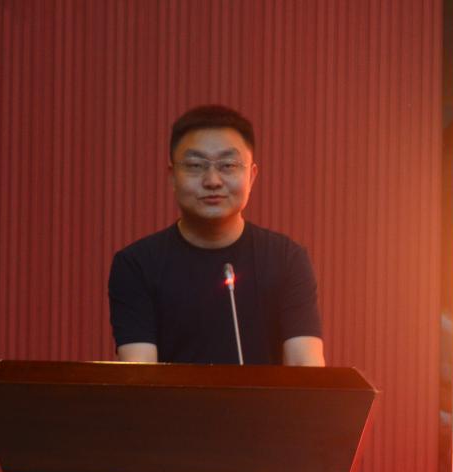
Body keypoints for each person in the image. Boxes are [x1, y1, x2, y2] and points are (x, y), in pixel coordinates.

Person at [108, 105, 325, 366]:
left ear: (251, 176)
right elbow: (138, 373)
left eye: (228, 165)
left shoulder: (287, 259)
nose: (212, 180)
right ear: (172, 176)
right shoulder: (137, 265)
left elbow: (306, 366)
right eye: (195, 165)